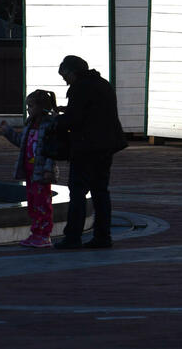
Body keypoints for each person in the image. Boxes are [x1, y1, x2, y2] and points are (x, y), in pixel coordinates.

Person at [54, 55, 127, 249]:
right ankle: (103, 236)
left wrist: (55, 120)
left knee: (77, 192)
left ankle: (73, 237)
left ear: (72, 71)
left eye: (64, 75)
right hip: (106, 146)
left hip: (87, 147)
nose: (64, 80)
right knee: (100, 191)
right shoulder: (102, 83)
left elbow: (75, 119)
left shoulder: (80, 87)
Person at [0, 90, 59, 248]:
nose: (28, 110)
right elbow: (22, 142)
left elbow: (51, 151)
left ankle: (44, 234)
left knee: (42, 203)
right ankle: (35, 233)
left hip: (41, 172)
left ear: (41, 107)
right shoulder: (30, 124)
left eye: (30, 106)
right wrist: (8, 132)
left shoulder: (49, 126)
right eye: (27, 106)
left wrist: (48, 169)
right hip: (29, 170)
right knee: (33, 203)